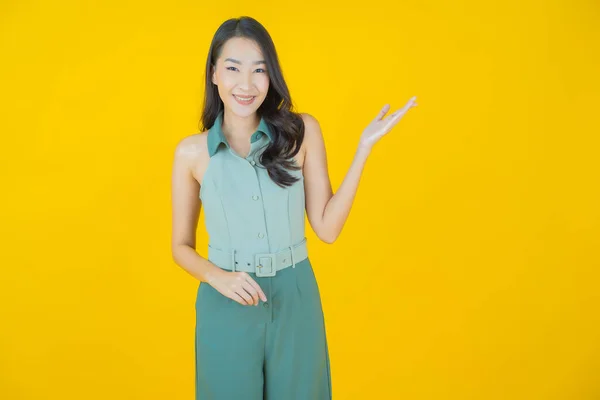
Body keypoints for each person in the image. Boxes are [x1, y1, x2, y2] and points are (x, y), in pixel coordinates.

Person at [171, 16, 418, 400]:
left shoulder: (301, 133)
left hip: (295, 295)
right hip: (227, 301)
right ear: (214, 73)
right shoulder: (191, 153)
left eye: (260, 70)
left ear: (271, 77)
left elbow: (327, 229)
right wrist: (218, 278)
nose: (246, 84)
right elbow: (181, 246)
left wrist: (363, 150)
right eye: (233, 69)